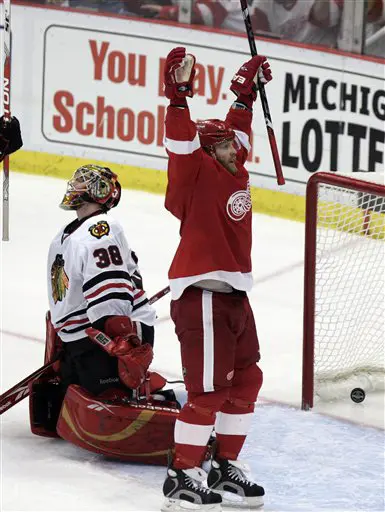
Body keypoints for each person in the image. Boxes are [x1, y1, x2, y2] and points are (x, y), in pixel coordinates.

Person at [161, 47, 272, 511]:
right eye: (225, 145)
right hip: (202, 297)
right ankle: (182, 474)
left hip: (234, 298)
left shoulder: (233, 163)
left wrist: (244, 93)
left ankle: (224, 465)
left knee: (246, 380)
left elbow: (240, 130)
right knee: (208, 393)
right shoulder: (194, 171)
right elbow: (182, 141)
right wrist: (179, 95)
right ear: (208, 151)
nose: (235, 149)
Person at [29, 163, 179, 464]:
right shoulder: (86, 231)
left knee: (94, 390)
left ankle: (118, 385)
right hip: (92, 340)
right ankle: (119, 384)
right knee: (95, 390)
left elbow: (97, 299)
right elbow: (93, 296)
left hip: (91, 340)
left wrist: (117, 344)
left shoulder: (82, 232)